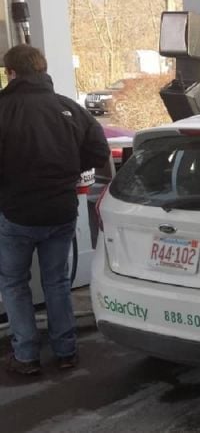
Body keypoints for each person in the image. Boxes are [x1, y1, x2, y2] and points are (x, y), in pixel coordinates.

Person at [0, 44, 109, 375]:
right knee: (57, 282)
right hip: (61, 211)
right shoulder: (69, 108)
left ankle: (26, 355)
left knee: (14, 283)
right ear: (42, 71)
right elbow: (99, 151)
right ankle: (66, 351)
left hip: (16, 213)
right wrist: (71, 170)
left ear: (12, 73)